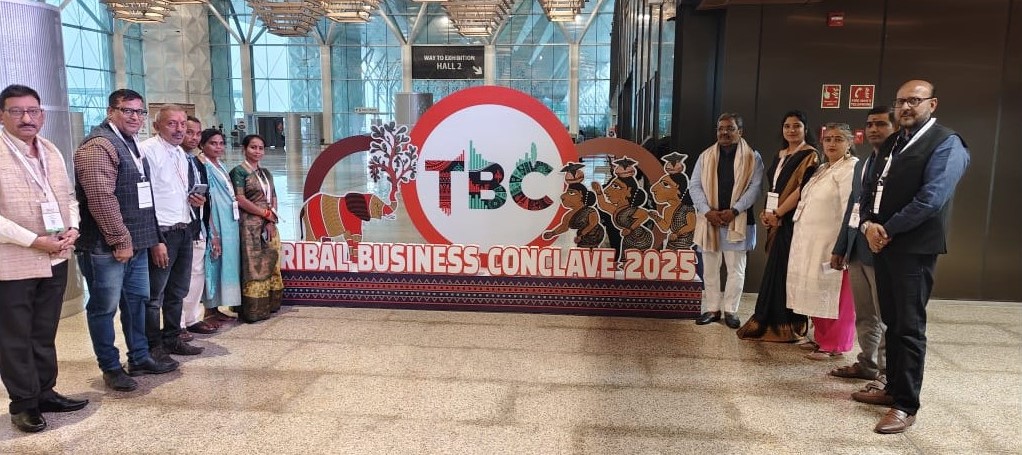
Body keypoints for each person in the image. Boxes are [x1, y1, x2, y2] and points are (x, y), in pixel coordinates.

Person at [852, 80, 970, 434]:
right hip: (883, 245)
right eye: (901, 101)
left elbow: (932, 198)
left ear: (932, 104)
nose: (905, 107)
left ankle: (906, 404)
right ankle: (892, 387)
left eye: (914, 101)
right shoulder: (893, 142)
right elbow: (869, 190)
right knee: (891, 320)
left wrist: (886, 229)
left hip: (913, 249)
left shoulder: (947, 143)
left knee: (909, 327)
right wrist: (868, 225)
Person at [75, 89, 178, 393]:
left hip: (137, 244)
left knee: (137, 302)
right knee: (104, 308)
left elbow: (144, 198)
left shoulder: (129, 143)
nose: (135, 117)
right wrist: (120, 240)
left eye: (139, 112)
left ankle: (140, 357)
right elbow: (100, 197)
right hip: (105, 247)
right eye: (127, 110)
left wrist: (153, 239)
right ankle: (110, 367)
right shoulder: (99, 145)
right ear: (111, 112)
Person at [0, 84, 89, 433]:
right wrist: (35, 241)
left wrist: (73, 227)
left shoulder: (50, 149)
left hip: (55, 257)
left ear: (42, 114)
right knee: (14, 335)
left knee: (44, 330)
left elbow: (67, 197)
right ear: (2, 115)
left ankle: (45, 391)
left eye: (33, 111)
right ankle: (24, 403)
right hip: (13, 261)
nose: (27, 118)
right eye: (17, 111)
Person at [736, 110, 818, 342]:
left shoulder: (810, 155)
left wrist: (780, 213)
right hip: (775, 218)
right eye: (787, 126)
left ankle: (786, 323)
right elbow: (774, 188)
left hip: (792, 221)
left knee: (784, 271)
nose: (791, 130)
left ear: (805, 129)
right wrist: (767, 212)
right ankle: (767, 319)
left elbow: (802, 189)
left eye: (796, 126)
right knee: (774, 269)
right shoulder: (780, 154)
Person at [829, 106, 896, 382]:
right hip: (857, 249)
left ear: (896, 128)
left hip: (883, 251)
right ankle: (867, 363)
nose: (873, 129)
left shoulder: (901, 163)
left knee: (886, 316)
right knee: (865, 314)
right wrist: (841, 247)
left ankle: (886, 373)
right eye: (869, 124)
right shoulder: (864, 164)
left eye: (881, 124)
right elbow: (853, 207)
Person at [139, 105, 206, 361]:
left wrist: (194, 201)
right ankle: (152, 345)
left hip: (183, 227)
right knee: (154, 294)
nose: (179, 129)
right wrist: (155, 239)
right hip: (162, 232)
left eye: (182, 124)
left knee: (178, 290)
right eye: (172, 124)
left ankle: (172, 337)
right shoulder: (147, 151)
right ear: (156, 126)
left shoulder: (180, 153)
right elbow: (145, 200)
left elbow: (175, 191)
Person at [786, 123, 858, 360]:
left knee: (834, 294)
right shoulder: (822, 168)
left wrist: (843, 244)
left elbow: (850, 208)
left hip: (832, 243)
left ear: (849, 143)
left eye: (838, 139)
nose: (832, 144)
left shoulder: (850, 168)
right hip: (810, 243)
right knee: (815, 290)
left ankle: (834, 344)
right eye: (828, 139)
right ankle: (820, 337)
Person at [689, 113, 764, 328]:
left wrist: (735, 210)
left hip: (738, 220)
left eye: (730, 128)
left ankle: (731, 310)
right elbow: (694, 186)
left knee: (736, 269)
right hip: (709, 221)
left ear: (740, 131)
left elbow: (755, 188)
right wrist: (707, 211)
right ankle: (712, 308)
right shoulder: (705, 156)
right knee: (710, 268)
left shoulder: (752, 157)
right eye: (721, 128)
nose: (724, 132)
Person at [230, 134, 283, 322]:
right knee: (253, 266)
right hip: (249, 226)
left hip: (268, 224)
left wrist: (271, 220)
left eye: (261, 148)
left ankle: (271, 304)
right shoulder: (238, 172)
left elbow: (273, 196)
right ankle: (253, 310)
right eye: (253, 147)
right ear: (244, 149)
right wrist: (264, 213)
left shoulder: (266, 173)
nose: (257, 151)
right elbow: (240, 199)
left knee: (272, 261)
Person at [178, 116, 217, 338]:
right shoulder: (173, 158)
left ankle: (192, 318)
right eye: (189, 132)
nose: (193, 138)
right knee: (180, 277)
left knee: (196, 273)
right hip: (178, 226)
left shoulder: (196, 162)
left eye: (197, 133)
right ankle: (178, 324)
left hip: (198, 224)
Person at [199, 128, 242, 324]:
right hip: (215, 220)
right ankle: (209, 309)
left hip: (229, 220)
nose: (218, 147)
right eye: (213, 143)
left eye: (221, 143)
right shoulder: (203, 166)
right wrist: (212, 231)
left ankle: (218, 307)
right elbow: (206, 200)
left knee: (226, 262)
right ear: (203, 145)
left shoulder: (220, 165)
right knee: (213, 260)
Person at [649, 152, 697, 251]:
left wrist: (677, 233)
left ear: (678, 189)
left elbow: (691, 225)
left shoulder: (687, 208)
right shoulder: (667, 209)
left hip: (684, 244)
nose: (653, 189)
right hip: (671, 243)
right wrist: (656, 218)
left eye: (665, 184)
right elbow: (665, 227)